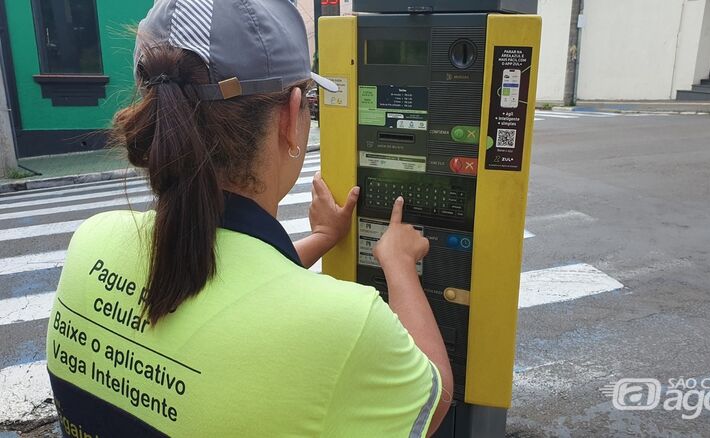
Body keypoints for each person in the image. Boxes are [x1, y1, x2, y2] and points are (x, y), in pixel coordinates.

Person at [45, 0, 453, 437]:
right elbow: (433, 396)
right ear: (291, 116)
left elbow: (228, 297)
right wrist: (399, 263)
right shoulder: (347, 324)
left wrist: (320, 237)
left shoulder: (92, 243)